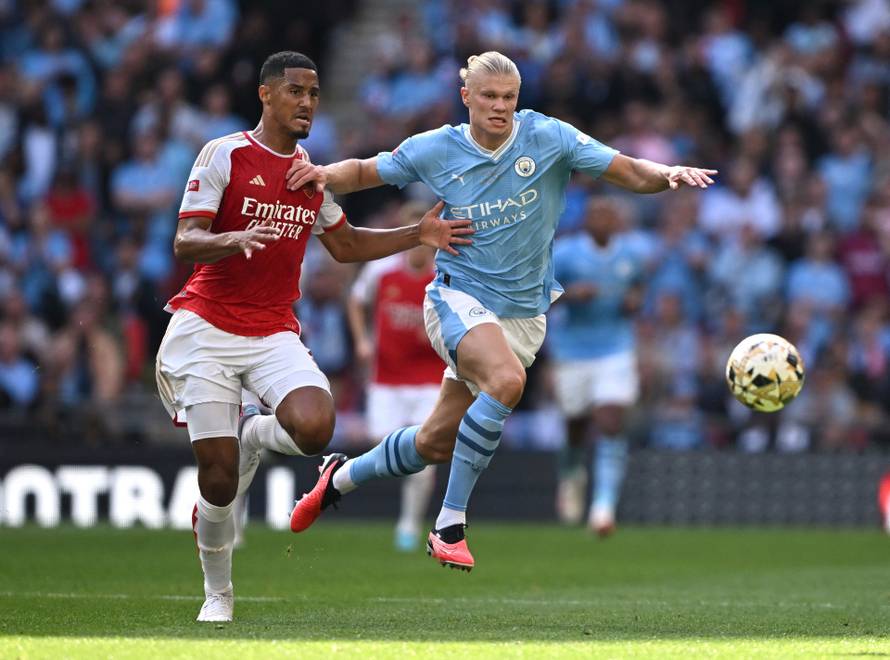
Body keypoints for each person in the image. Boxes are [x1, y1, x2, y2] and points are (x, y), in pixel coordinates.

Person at [286, 51, 716, 572]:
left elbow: (626, 169)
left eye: (508, 98)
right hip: (456, 297)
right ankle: (449, 523)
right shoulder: (438, 148)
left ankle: (339, 478)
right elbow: (361, 171)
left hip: (523, 315)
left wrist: (666, 173)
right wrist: (317, 174)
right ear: (466, 96)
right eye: (488, 96)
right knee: (507, 382)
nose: (499, 107)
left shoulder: (549, 137)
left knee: (431, 442)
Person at [155, 51, 471, 622]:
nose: (306, 103)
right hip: (207, 326)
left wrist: (417, 233)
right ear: (266, 94)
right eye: (296, 91)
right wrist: (231, 239)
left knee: (315, 425)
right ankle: (218, 592)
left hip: (272, 328)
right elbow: (186, 240)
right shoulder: (226, 154)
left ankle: (254, 435)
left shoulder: (311, 177)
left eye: (315, 93)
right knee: (218, 477)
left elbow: (346, 247)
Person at [347, 201, 443, 552]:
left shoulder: (446, 275)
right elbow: (356, 301)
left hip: (431, 378)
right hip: (386, 377)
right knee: (384, 449)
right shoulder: (381, 272)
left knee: (423, 452)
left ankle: (409, 524)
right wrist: (362, 341)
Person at [549, 197, 644, 537]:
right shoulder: (566, 254)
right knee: (576, 424)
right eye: (596, 215)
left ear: (617, 221)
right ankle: (572, 471)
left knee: (610, 420)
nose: (602, 220)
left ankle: (603, 508)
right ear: (586, 221)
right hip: (572, 351)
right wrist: (571, 294)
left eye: (608, 215)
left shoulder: (632, 254)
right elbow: (539, 292)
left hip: (616, 349)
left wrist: (634, 302)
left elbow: (638, 289)